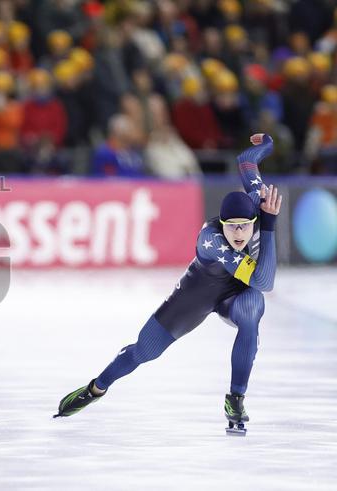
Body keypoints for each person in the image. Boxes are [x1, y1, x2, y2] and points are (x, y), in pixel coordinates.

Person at [55, 134, 283, 436]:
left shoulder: (257, 203)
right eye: (232, 227)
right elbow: (264, 279)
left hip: (233, 295)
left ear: (253, 217)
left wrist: (265, 143)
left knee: (253, 306)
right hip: (194, 297)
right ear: (223, 225)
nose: (239, 233)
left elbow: (246, 161)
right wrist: (268, 226)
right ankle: (95, 388)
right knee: (143, 351)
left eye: (245, 226)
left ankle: (235, 399)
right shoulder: (212, 240)